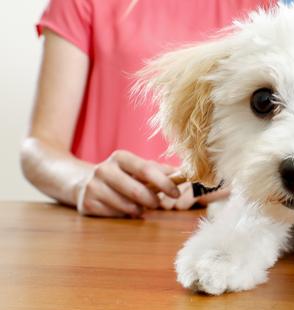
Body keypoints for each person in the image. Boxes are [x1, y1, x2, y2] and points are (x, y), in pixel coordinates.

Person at [20, 0, 274, 218]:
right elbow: (39, 147)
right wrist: (81, 181)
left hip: (209, 230)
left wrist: (219, 183)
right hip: (101, 227)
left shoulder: (269, 9)